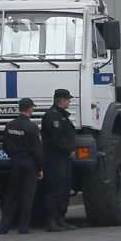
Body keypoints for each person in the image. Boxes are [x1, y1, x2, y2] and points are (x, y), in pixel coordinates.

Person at [0, 98, 43, 234]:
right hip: (29, 162)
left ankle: (4, 226)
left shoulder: (10, 125)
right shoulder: (32, 127)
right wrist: (40, 168)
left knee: (12, 195)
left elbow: (5, 145)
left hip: (14, 161)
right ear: (30, 109)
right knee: (27, 195)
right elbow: (37, 150)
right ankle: (23, 227)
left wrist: (12, 155)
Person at [41, 88, 77, 232]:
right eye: (68, 99)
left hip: (63, 159)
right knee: (54, 189)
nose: (69, 102)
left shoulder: (62, 116)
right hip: (55, 159)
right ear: (61, 100)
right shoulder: (52, 116)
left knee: (64, 189)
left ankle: (60, 219)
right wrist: (68, 150)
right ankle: (51, 220)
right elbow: (57, 138)